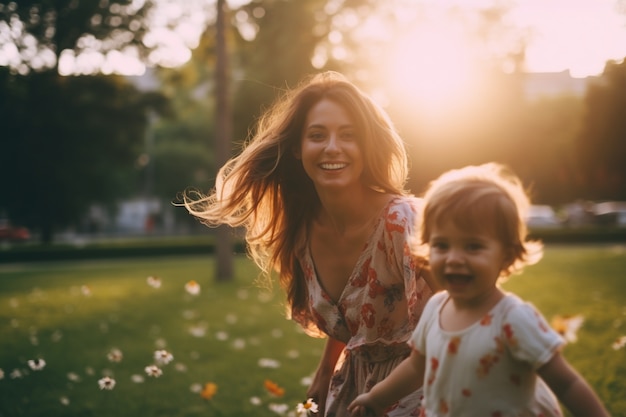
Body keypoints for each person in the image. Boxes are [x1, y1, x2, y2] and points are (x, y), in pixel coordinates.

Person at [182, 71, 438, 416]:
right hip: (354, 391)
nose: (333, 147)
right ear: (296, 149)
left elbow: (469, 309)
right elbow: (354, 312)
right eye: (317, 135)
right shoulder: (301, 233)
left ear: (367, 146)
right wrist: (323, 373)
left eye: (349, 135)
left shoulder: (402, 223)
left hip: (433, 383)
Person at [348, 163, 610, 417]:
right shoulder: (435, 309)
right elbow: (417, 366)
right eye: (442, 245)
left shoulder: (512, 319)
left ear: (507, 256)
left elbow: (566, 383)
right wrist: (377, 397)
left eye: (472, 246)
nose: (454, 258)